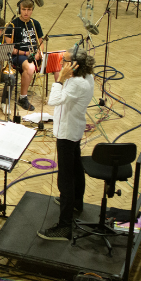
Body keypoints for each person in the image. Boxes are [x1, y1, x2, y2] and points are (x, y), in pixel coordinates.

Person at [37, 48, 96, 241]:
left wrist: (59, 79)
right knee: (76, 167)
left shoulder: (77, 83)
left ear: (74, 66)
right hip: (74, 129)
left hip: (67, 133)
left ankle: (64, 227)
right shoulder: (86, 77)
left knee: (65, 179)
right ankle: (77, 202)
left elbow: (52, 100)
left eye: (65, 61)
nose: (61, 64)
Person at [7, 0, 44, 112]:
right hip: (19, 55)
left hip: (34, 54)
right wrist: (25, 53)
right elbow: (9, 49)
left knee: (58, 59)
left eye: (29, 9)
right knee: (30, 67)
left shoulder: (35, 23)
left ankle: (59, 95)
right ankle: (23, 98)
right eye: (24, 9)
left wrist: (39, 52)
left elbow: (41, 42)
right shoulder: (12, 25)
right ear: (19, 10)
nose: (26, 12)